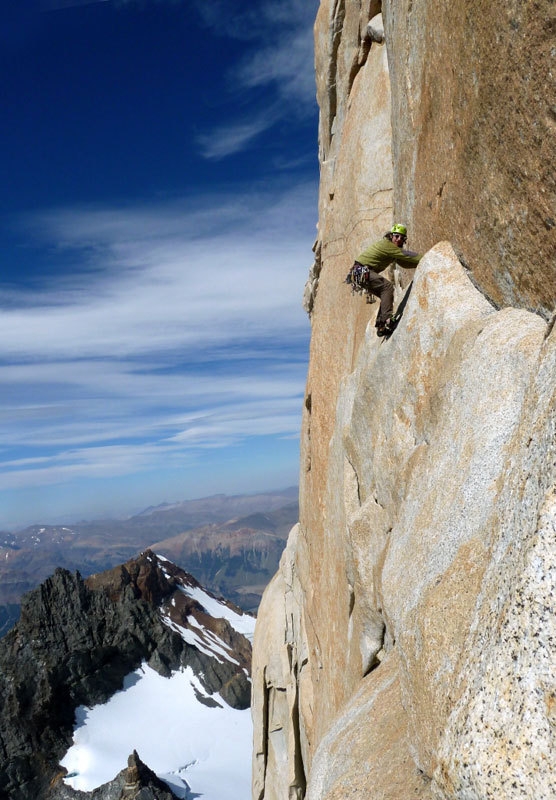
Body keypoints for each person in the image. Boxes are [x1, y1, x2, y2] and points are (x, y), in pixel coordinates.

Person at [352, 224, 421, 336]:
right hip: (361, 271)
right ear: (391, 236)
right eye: (396, 236)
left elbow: (404, 262)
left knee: (385, 294)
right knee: (387, 287)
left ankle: (381, 326)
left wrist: (421, 264)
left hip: (360, 273)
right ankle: (387, 320)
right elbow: (406, 254)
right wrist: (427, 256)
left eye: (402, 238)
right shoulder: (387, 245)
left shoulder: (393, 250)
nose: (399, 239)